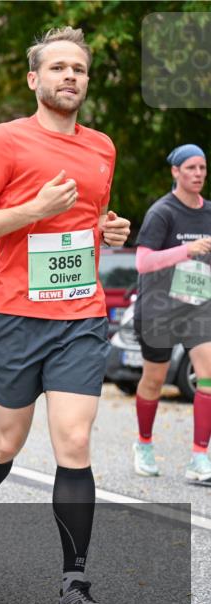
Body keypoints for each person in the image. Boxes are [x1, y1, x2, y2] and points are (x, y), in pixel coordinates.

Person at [0, 27, 130, 604]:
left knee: (74, 443)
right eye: (58, 68)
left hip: (80, 313)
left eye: (78, 69)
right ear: (35, 79)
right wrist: (32, 213)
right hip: (14, 313)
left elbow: (89, 216)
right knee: (6, 440)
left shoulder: (102, 146)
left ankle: (74, 588)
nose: (69, 77)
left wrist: (108, 230)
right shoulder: (6, 140)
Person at [131, 143, 211, 482]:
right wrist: (186, 250)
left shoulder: (209, 212)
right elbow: (143, 262)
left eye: (202, 168)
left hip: (196, 307)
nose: (197, 174)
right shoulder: (161, 212)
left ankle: (199, 458)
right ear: (175, 172)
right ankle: (144, 445)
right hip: (159, 309)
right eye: (190, 168)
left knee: (208, 377)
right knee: (154, 381)